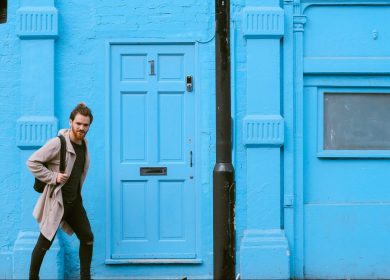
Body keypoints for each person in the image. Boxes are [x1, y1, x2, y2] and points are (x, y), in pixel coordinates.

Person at [27, 103, 94, 280]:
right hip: (57, 202)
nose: (81, 128)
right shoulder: (58, 143)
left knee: (87, 238)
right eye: (78, 123)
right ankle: (33, 277)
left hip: (74, 202)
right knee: (44, 242)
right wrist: (53, 177)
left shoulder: (84, 144)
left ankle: (85, 277)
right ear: (71, 122)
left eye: (85, 125)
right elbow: (32, 162)